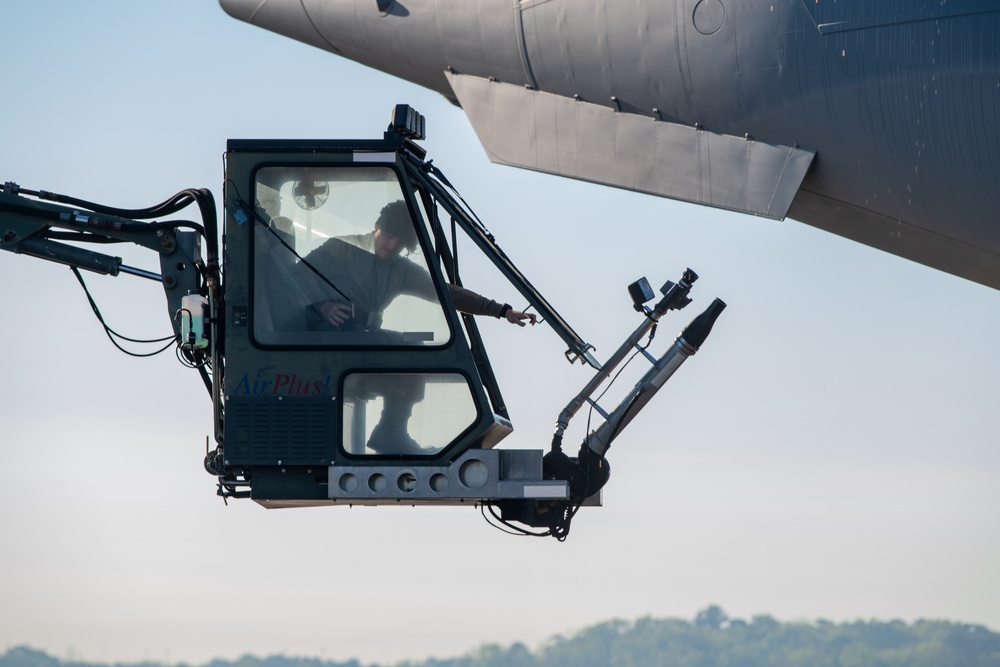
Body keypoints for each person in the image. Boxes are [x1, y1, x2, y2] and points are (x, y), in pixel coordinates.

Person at [302, 200, 536, 454]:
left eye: (400, 242)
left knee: (420, 338)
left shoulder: (400, 270)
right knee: (409, 343)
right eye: (389, 236)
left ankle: (391, 429)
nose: (391, 245)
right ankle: (391, 432)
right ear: (376, 228)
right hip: (322, 338)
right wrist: (322, 306)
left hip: (363, 339)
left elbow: (447, 293)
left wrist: (501, 310)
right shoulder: (340, 249)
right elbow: (294, 276)